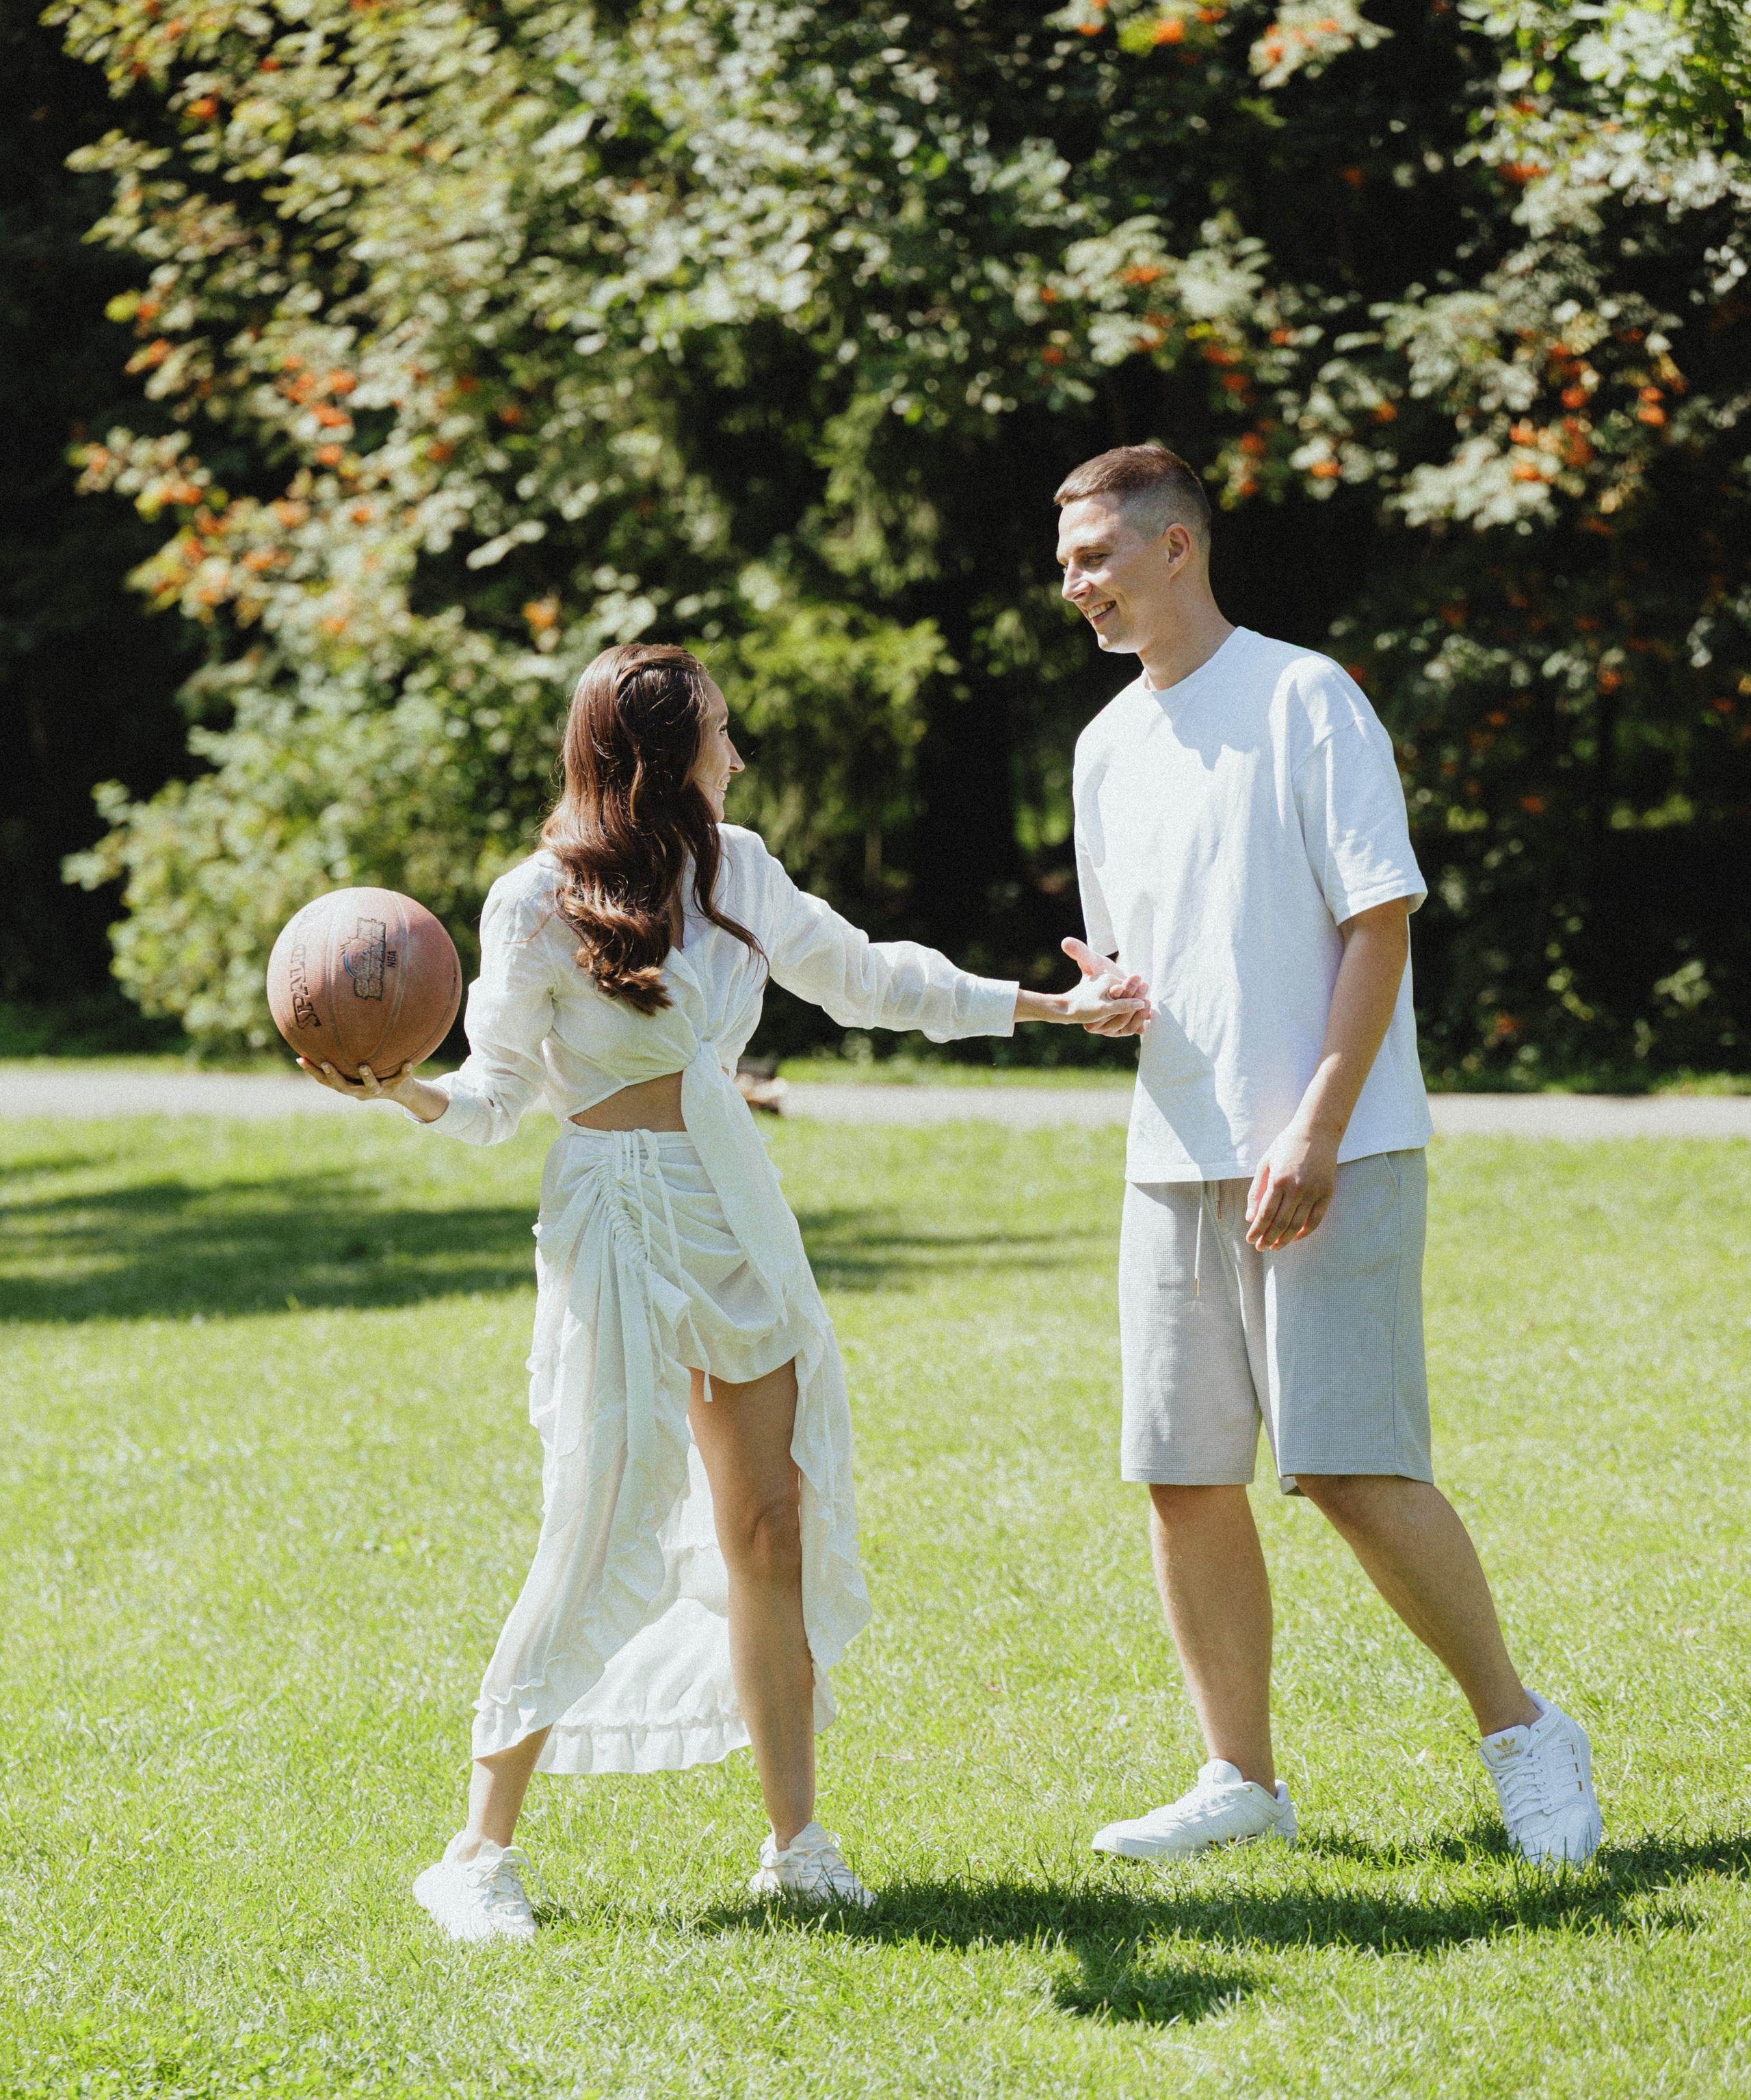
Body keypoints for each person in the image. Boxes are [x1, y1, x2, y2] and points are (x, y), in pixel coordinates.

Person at [306, 642, 1150, 1939]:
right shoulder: (535, 900)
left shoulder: (737, 866)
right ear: (652, 753)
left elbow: (871, 977)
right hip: (613, 1217)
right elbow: (495, 1096)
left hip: (731, 1210)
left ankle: (797, 1845)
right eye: (717, 731)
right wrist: (398, 1087)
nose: (737, 752)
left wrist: (1050, 1007)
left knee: (770, 1528)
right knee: (598, 1514)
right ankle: (475, 1853)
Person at [1056, 444, 1603, 1868]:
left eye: (1096, 558)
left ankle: (1523, 1732)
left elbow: (1377, 919)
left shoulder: (1304, 697)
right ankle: (1237, 1775)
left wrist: (1310, 1127)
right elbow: (1144, 951)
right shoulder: (1102, 747)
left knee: (1348, 1465)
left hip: (1329, 1146)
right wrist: (1106, 994)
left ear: (1176, 547)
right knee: (1181, 1473)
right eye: (1065, 565)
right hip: (1171, 1153)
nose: (1078, 586)